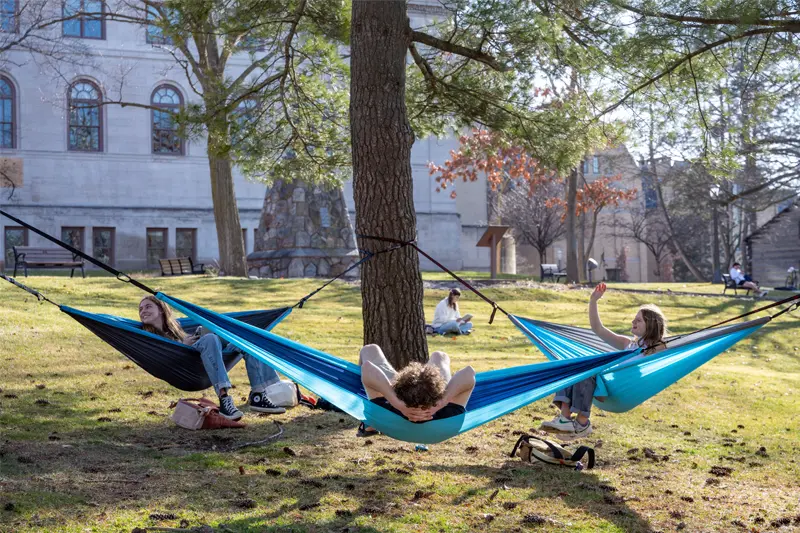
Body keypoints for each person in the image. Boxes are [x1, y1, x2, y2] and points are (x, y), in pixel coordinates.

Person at [540, 282, 668, 440]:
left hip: (623, 388)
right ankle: (565, 419)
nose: (633, 322)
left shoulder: (657, 348)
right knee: (573, 366)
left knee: (586, 369)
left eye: (639, 320)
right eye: (634, 319)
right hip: (606, 383)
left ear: (651, 325)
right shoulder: (627, 343)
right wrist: (593, 300)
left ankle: (581, 422)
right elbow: (598, 329)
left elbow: (670, 349)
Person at [138, 296, 286, 420]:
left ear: (161, 310)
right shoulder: (144, 335)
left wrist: (191, 338)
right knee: (209, 339)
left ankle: (258, 395)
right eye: (141, 309)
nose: (143, 311)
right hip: (187, 368)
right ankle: (224, 399)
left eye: (148, 307)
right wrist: (183, 344)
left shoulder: (176, 329)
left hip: (203, 356)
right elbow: (164, 357)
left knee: (246, 340)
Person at [356, 344, 476, 437]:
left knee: (370, 349)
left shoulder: (382, 412)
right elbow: (469, 373)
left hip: (385, 423)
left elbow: (367, 367)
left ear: (397, 391)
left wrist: (397, 403)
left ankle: (369, 425)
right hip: (440, 430)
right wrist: (441, 403)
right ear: (439, 393)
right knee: (439, 356)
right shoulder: (450, 417)